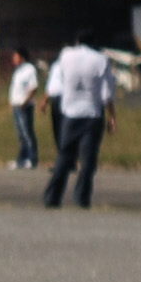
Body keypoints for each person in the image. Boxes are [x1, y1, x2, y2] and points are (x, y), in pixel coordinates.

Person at [45, 36, 117, 211]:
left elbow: (57, 84)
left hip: (70, 113)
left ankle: (52, 197)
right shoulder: (101, 60)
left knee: (64, 156)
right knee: (88, 160)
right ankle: (82, 198)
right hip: (92, 114)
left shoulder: (66, 56)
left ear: (77, 41)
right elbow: (106, 93)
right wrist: (112, 116)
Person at [7, 49, 44, 170]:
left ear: (22, 57)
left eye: (15, 56)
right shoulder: (18, 70)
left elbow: (33, 87)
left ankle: (32, 159)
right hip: (16, 105)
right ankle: (22, 159)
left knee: (27, 133)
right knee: (21, 135)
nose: (14, 59)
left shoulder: (29, 69)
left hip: (25, 106)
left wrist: (25, 102)